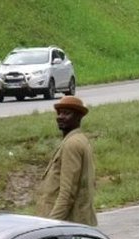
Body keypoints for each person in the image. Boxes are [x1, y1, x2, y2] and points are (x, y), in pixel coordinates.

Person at [35, 95, 96, 226]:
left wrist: (51, 225)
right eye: (59, 113)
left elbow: (67, 194)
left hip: (68, 223)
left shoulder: (71, 144)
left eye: (67, 113)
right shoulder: (78, 139)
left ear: (78, 117)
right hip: (73, 223)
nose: (60, 117)